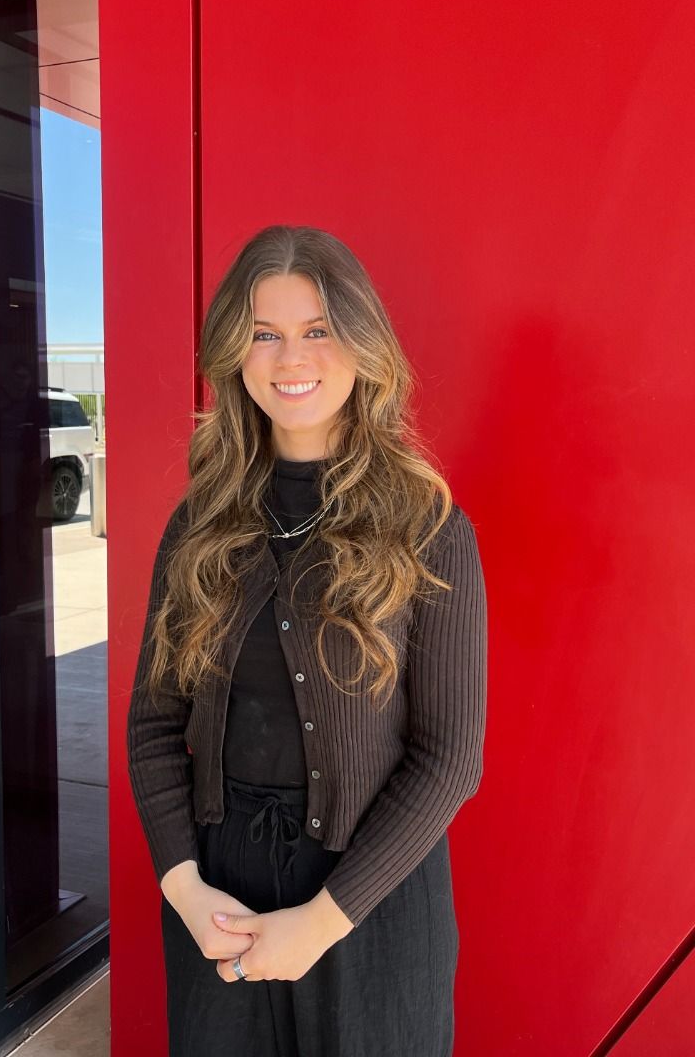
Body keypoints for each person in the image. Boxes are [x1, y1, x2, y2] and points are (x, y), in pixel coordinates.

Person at [127, 227, 486, 1056]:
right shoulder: (199, 526)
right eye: (264, 332)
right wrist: (185, 891)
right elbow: (153, 728)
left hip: (371, 904)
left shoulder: (427, 528)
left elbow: (448, 758)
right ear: (235, 353)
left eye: (317, 329)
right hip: (219, 904)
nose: (291, 356)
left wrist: (321, 923)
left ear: (361, 344)